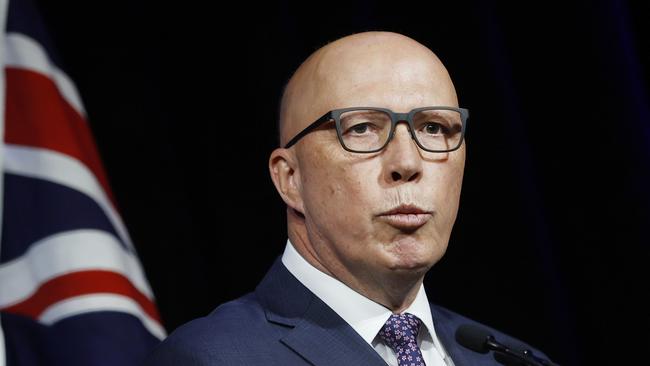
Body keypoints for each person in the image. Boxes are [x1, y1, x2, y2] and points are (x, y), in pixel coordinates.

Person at [145, 31, 549, 366]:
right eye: (362, 129)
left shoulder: (509, 358)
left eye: (433, 127)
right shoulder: (212, 358)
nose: (407, 162)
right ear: (290, 178)